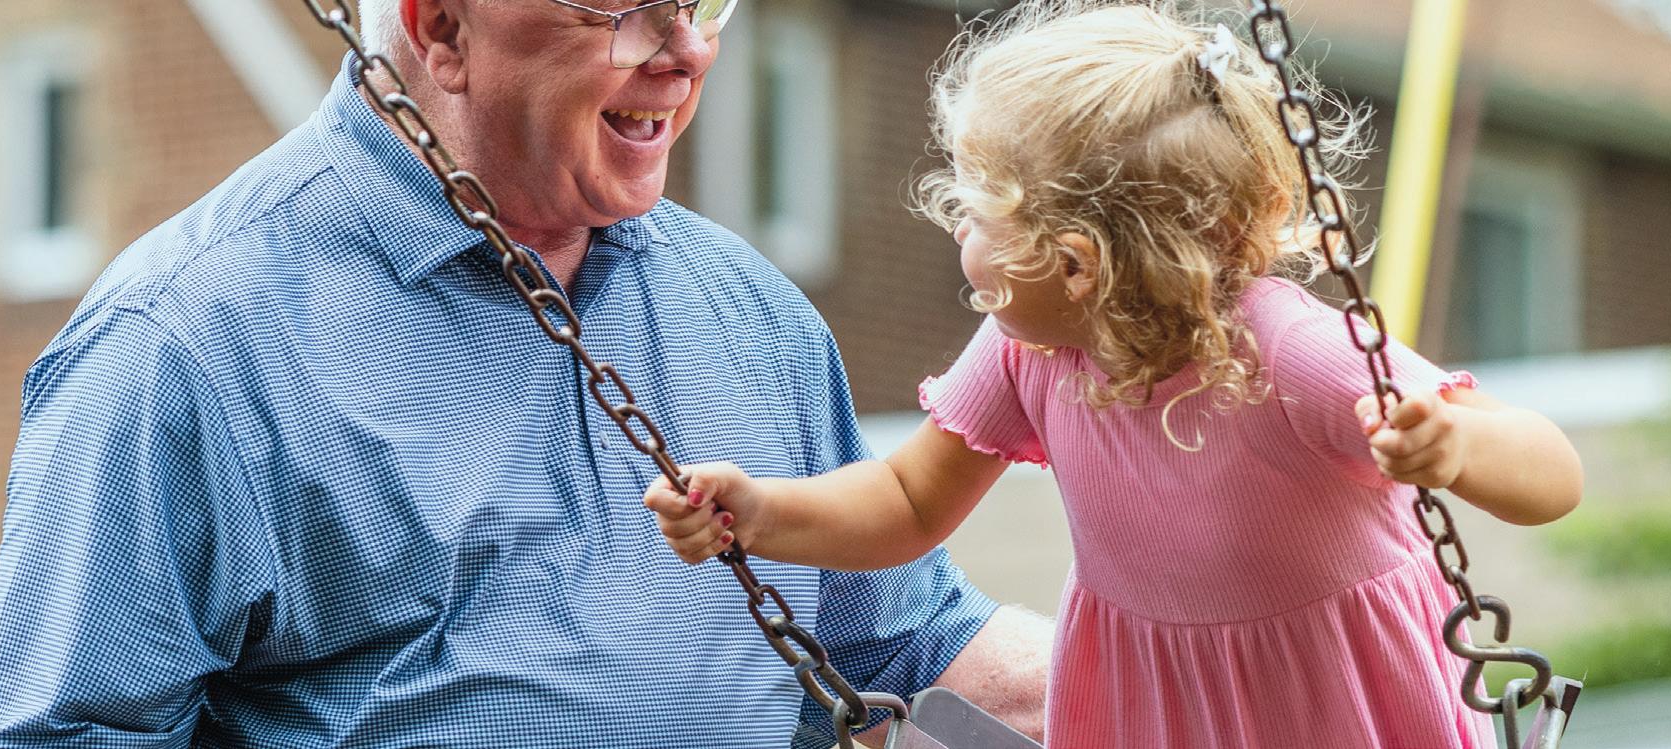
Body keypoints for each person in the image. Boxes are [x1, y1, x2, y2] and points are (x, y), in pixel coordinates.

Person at [0, 0, 1054, 745]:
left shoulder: (749, 313)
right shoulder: (186, 345)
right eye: (624, 7)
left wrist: (1157, 650)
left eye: (701, 1)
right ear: (441, 27)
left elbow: (902, 642)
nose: (684, 51)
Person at [643, 3, 1584, 747]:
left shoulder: (1291, 357)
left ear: (1075, 264)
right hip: (1153, 708)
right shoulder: (1028, 349)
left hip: (1330, 704)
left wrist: (1456, 446)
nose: (958, 230)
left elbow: (1552, 473)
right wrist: (762, 512)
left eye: (979, 213)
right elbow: (906, 500)